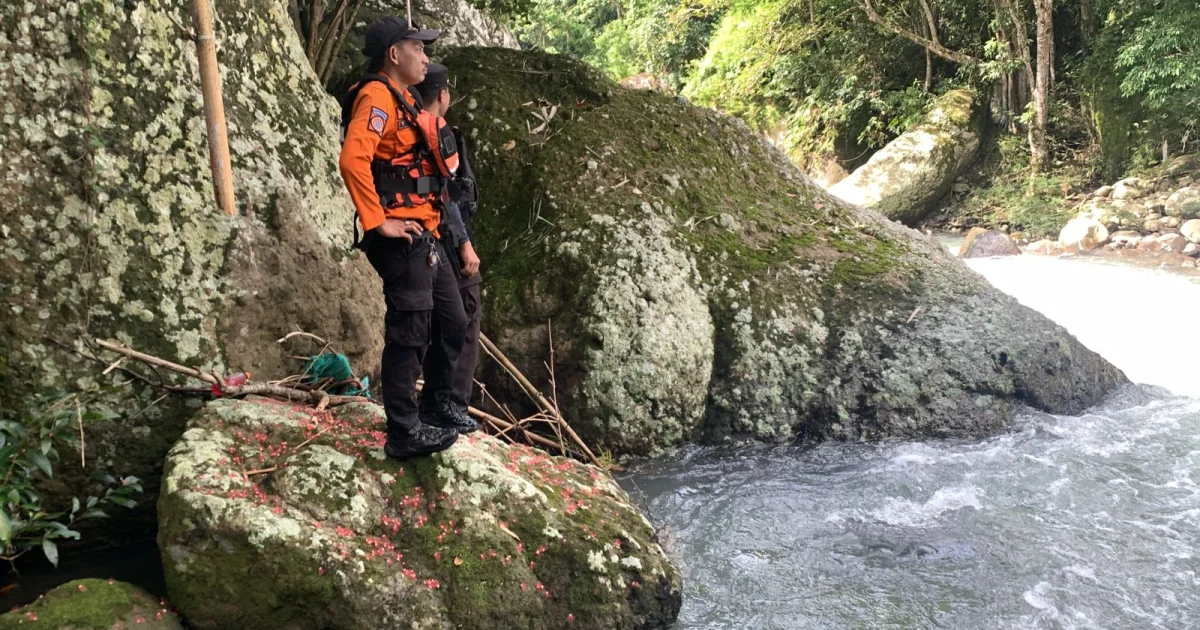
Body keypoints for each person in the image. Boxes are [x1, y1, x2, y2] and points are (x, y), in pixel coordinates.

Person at [337, 17, 475, 460]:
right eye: (419, 48)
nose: (425, 56)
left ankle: (437, 405)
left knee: (453, 320)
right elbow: (353, 159)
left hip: (426, 233)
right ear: (394, 54)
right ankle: (403, 431)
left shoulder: (407, 99)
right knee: (410, 332)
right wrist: (378, 222)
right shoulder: (376, 96)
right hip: (401, 237)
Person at [414, 65, 483, 423]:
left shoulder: (411, 128)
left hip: (428, 241)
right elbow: (448, 197)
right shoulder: (435, 133)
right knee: (463, 320)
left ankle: (438, 402)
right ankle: (451, 404)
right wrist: (464, 244)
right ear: (442, 95)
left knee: (442, 322)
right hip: (447, 241)